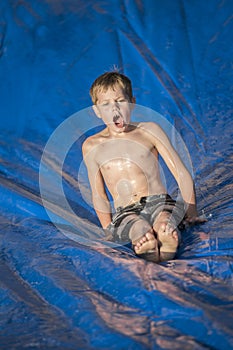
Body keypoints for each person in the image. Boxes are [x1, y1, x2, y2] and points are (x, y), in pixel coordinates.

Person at [82, 71, 206, 263]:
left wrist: (192, 212)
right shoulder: (92, 145)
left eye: (120, 101)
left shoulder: (149, 130)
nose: (115, 109)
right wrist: (107, 230)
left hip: (159, 201)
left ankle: (166, 239)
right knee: (137, 227)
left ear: (132, 102)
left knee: (165, 220)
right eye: (106, 105)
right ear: (97, 111)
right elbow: (98, 193)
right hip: (126, 212)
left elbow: (180, 172)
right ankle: (147, 242)